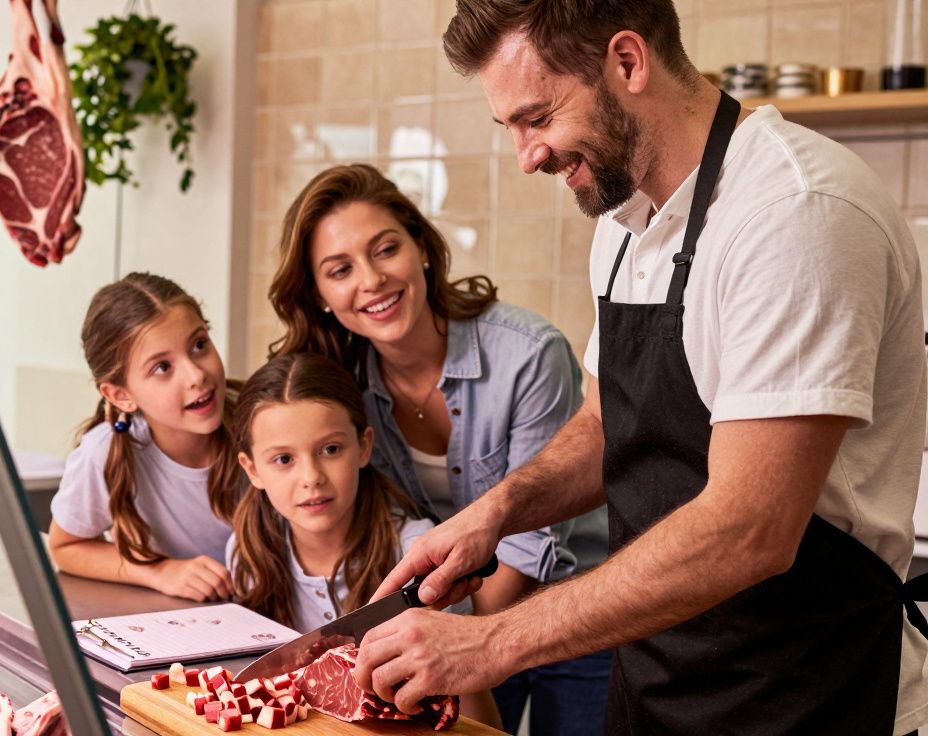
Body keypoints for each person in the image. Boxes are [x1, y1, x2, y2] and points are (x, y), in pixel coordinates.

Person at [353, 2, 928, 735]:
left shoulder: (794, 212)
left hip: (806, 693)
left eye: (537, 117)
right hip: (659, 683)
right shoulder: (626, 221)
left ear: (627, 62)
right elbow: (603, 426)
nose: (527, 155)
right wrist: (494, 515)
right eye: (512, 129)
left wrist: (491, 641)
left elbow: (750, 527)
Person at [268, 162, 610, 732]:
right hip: (447, 618)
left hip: (571, 608)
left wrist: (463, 640)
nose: (371, 280)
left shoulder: (528, 354)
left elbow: (531, 540)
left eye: (385, 250)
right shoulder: (340, 384)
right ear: (321, 295)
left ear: (422, 248)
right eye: (340, 270)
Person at [225, 352, 501, 726]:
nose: (311, 477)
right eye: (284, 460)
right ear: (252, 469)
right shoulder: (247, 554)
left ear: (364, 446)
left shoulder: (416, 558)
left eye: (330, 450)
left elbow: (479, 720)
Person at [47, 272, 243, 603]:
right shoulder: (104, 452)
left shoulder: (261, 422)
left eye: (199, 345)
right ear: (121, 395)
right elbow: (65, 547)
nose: (197, 375)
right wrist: (161, 572)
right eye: (162, 367)